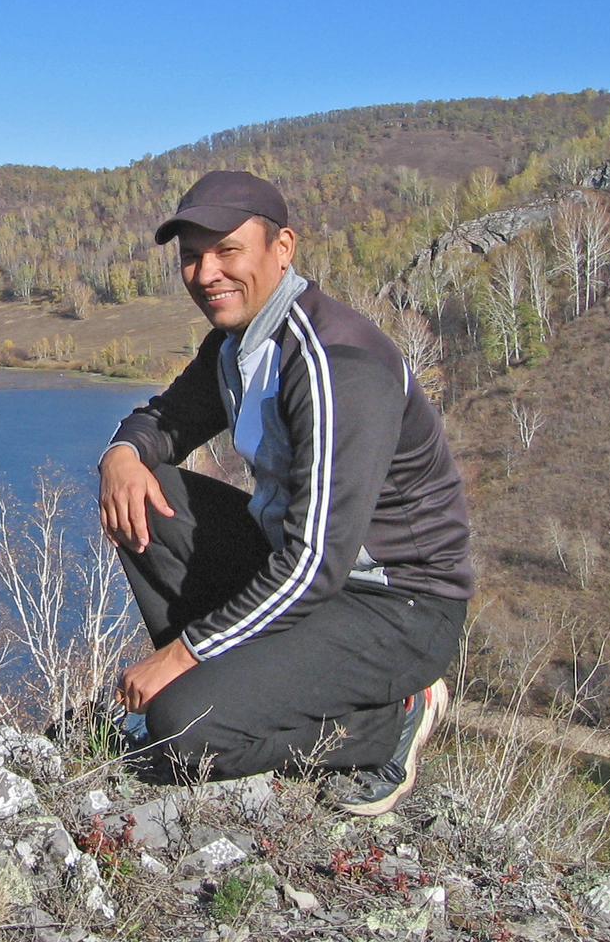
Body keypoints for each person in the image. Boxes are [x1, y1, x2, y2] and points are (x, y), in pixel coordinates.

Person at [97, 170, 473, 814]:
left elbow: (314, 564)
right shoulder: (239, 343)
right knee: (146, 494)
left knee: (181, 730)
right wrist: (121, 454)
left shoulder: (335, 364)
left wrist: (182, 656)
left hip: (398, 607)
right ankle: (238, 684)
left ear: (283, 248)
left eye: (227, 251)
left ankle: (392, 720)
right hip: (309, 578)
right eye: (192, 258)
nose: (207, 273)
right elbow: (169, 419)